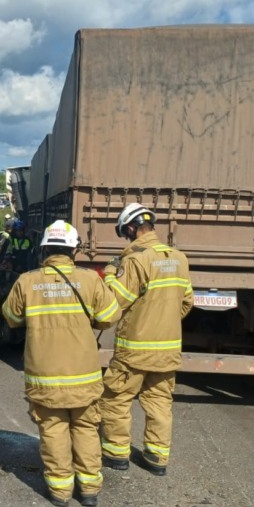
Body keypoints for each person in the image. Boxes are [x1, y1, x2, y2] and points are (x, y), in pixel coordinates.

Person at [1, 220, 120, 507]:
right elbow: (109, 316)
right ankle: (89, 489)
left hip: (45, 376)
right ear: (74, 250)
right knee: (86, 428)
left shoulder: (27, 281)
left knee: (53, 429)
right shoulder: (90, 280)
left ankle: (60, 491)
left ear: (44, 250)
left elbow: (11, 318)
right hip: (83, 374)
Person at [98, 203, 193, 476]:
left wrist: (109, 275)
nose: (125, 238)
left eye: (124, 233)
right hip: (168, 349)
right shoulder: (179, 258)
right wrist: (164, 324)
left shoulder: (135, 261)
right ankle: (157, 458)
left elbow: (117, 302)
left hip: (135, 349)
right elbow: (187, 302)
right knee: (160, 401)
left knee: (116, 398)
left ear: (131, 227)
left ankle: (116, 454)